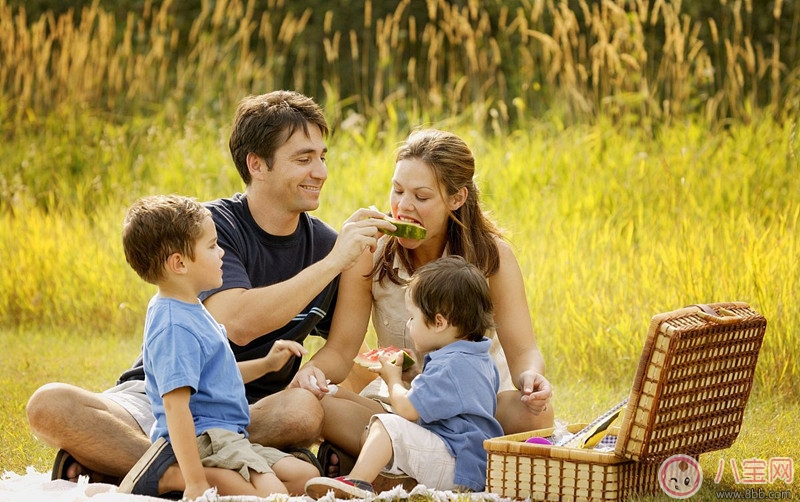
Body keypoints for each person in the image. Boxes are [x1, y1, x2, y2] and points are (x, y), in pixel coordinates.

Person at [25, 90, 393, 485]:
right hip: (161, 402)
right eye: (303, 159)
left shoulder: (324, 245)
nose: (319, 171)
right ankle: (184, 477)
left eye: (322, 157)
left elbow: (340, 349)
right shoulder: (207, 230)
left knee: (303, 411)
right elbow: (237, 322)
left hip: (246, 411)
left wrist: (312, 374)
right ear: (257, 164)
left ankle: (121, 466)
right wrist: (336, 262)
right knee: (49, 405)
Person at [314, 128, 555, 476]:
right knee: (319, 402)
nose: (403, 206)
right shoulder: (371, 251)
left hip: (481, 408)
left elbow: (523, 351)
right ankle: (407, 455)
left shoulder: (492, 256)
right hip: (407, 403)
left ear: (456, 199)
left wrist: (532, 378)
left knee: (536, 413)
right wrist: (311, 376)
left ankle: (383, 457)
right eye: (397, 191)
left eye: (421, 196)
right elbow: (341, 349)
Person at [117, 194, 318, 498]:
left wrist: (266, 364)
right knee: (272, 494)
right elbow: (175, 406)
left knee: (305, 476)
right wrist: (195, 482)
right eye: (212, 246)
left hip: (228, 434)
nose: (222, 253)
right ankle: (172, 476)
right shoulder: (174, 325)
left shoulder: (193, 308)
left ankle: (194, 476)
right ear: (179, 263)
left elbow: (217, 376)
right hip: (205, 437)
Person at [305, 256, 504, 498]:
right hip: (471, 463)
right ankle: (379, 481)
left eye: (413, 318)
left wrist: (393, 379)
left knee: (386, 426)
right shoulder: (480, 358)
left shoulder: (449, 365)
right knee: (374, 433)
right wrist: (415, 375)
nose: (409, 325)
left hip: (454, 460)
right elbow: (451, 402)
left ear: (439, 322)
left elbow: (407, 409)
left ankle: (357, 484)